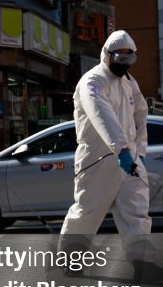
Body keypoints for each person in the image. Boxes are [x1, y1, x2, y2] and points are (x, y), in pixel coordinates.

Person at [59, 30, 150, 240]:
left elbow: (141, 115)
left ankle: (143, 264)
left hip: (130, 160)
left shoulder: (129, 83)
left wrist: (140, 151)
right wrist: (122, 149)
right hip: (98, 160)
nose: (125, 63)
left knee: (137, 215)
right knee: (86, 215)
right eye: (121, 57)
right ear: (108, 54)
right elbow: (102, 115)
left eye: (130, 57)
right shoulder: (93, 81)